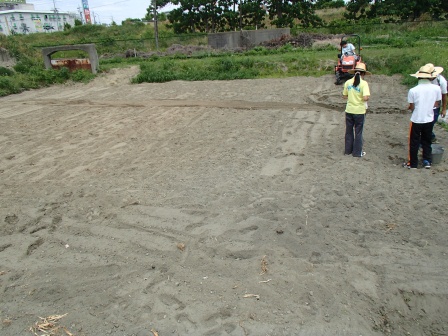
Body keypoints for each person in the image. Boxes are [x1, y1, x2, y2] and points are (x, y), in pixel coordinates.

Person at [407, 64, 442, 169]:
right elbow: (436, 104)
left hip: (417, 119)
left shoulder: (413, 90)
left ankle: (413, 163)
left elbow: (411, 106)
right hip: (429, 118)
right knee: (427, 141)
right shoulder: (436, 88)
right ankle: (427, 161)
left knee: (414, 142)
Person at [343, 62, 371, 157]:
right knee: (358, 132)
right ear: (363, 74)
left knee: (349, 131)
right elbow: (365, 98)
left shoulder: (348, 82)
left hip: (349, 110)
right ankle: (357, 152)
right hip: (359, 111)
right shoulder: (364, 84)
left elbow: (344, 96)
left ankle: (348, 151)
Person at [425, 63, 447, 143]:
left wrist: (444, 109)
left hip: (436, 106)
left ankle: (430, 137)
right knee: (425, 123)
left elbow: (444, 96)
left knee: (431, 122)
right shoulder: (424, 79)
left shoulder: (441, 81)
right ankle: (429, 137)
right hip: (425, 104)